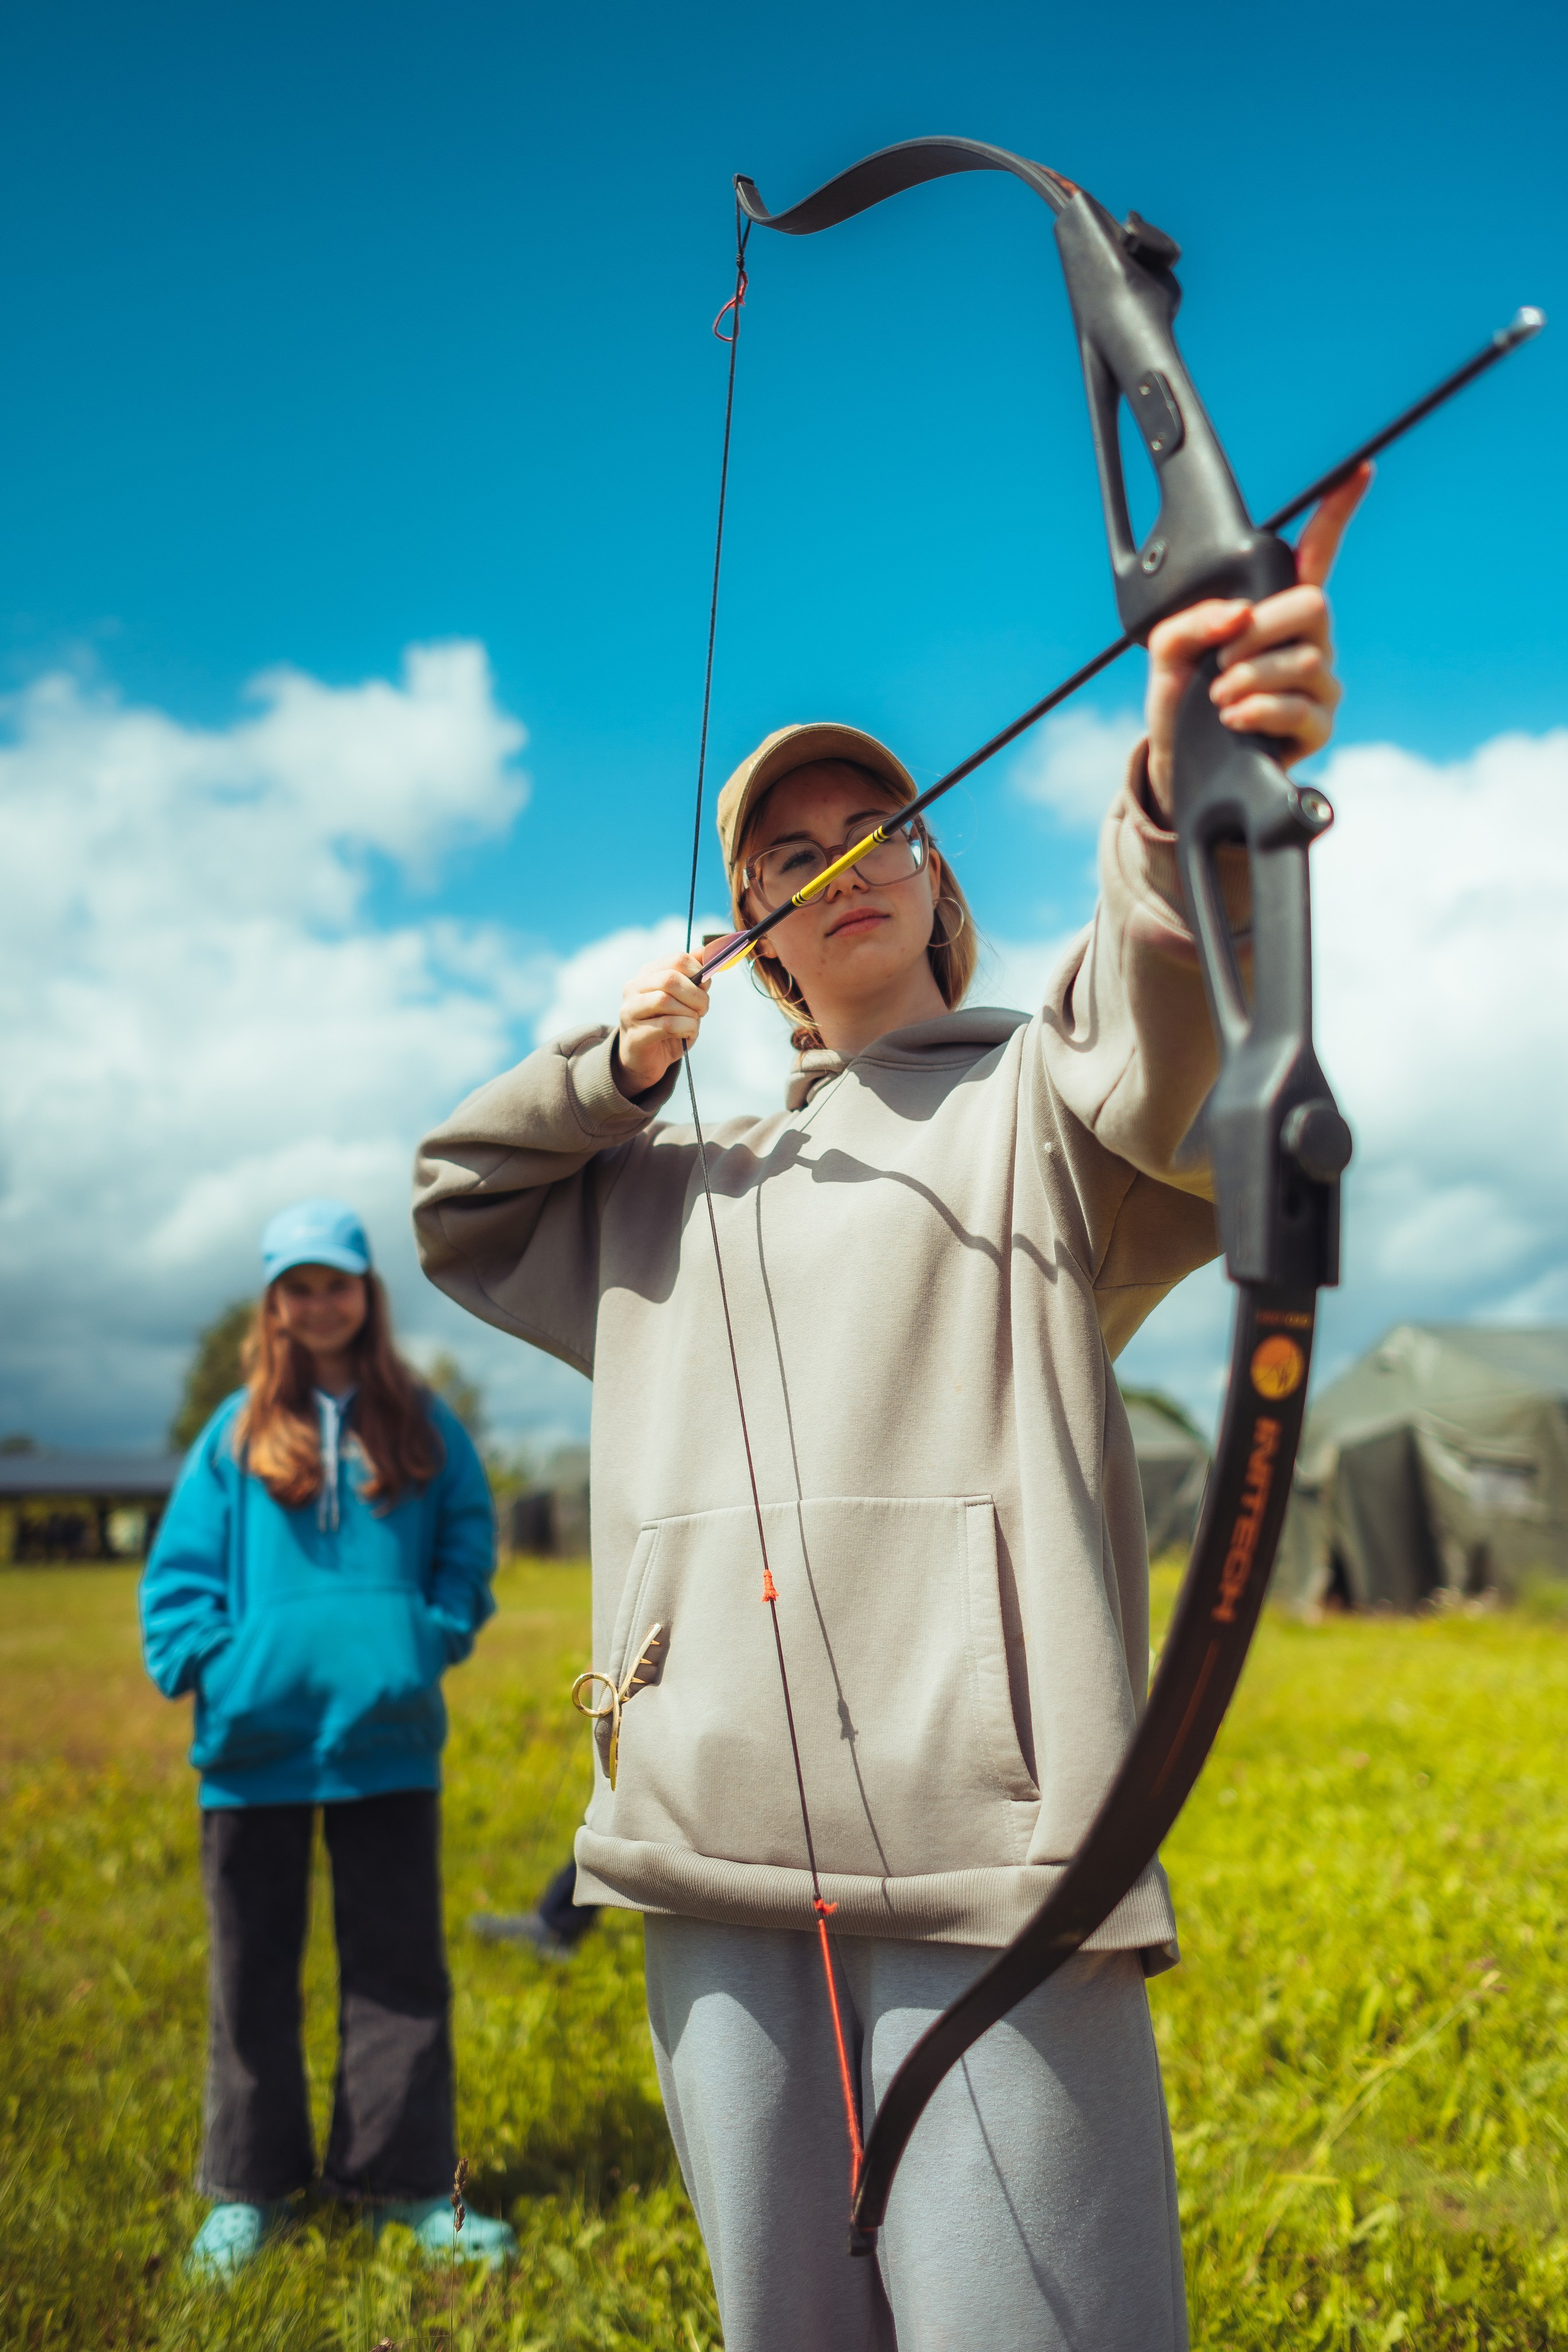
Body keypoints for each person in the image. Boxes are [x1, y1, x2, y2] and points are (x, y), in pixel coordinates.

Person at [412, 480, 1364, 2350]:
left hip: (994, 1859)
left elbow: (1167, 1029)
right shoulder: (657, 1189)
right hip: (703, 1845)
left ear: (939, 883)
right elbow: (459, 1203)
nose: (841, 864)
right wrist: (612, 1067)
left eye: (880, 832)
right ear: (752, 941)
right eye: (789, 860)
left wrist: (1189, 786)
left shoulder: (1045, 1108)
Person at [140, 1199, 518, 2280]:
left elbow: (469, 1536)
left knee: (399, 1969)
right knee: (252, 1975)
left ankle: (401, 2184)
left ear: (367, 1294)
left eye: (335, 1284)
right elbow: (178, 1576)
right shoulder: (236, 1431)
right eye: (297, 1288)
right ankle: (250, 2189)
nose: (318, 1304)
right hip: (253, 1752)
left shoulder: (421, 1422)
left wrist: (430, 1632)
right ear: (274, 1305)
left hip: (386, 1741)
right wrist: (217, 1665)